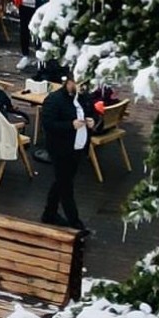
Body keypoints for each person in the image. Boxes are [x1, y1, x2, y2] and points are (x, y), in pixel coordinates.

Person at [40, 73, 101, 235]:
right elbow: (48, 124)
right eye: (79, 83)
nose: (83, 87)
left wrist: (93, 121)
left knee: (62, 181)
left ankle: (49, 213)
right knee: (66, 186)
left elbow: (94, 114)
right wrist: (70, 125)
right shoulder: (54, 100)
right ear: (69, 82)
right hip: (60, 149)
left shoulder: (83, 98)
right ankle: (75, 223)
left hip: (78, 148)